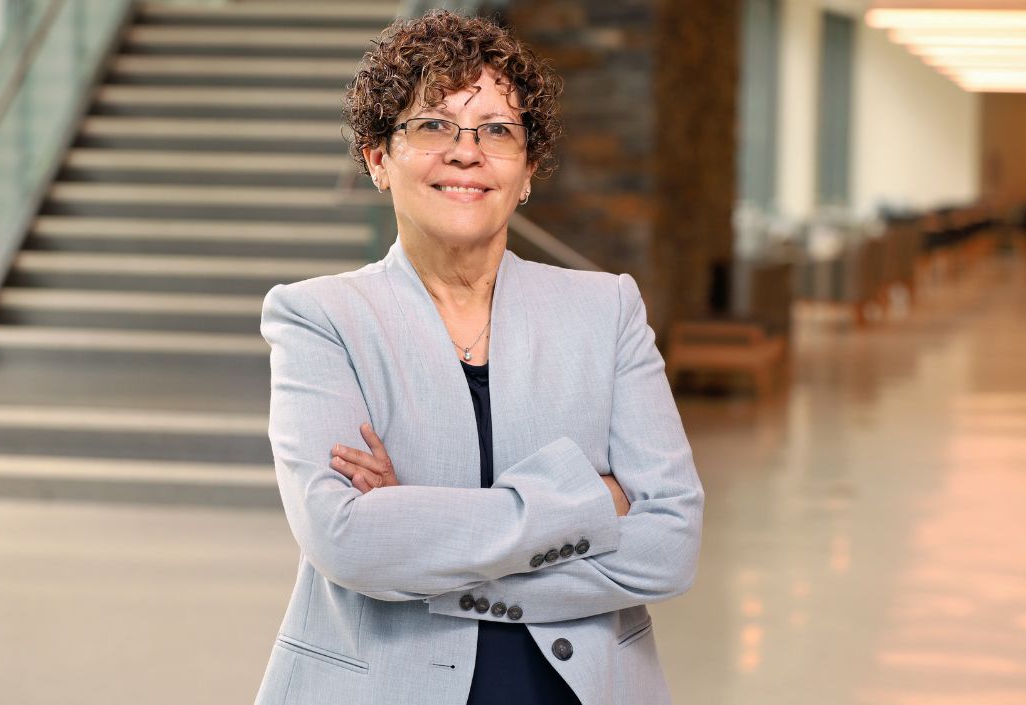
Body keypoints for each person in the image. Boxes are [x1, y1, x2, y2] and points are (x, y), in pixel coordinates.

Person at [255, 11, 704, 705]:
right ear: (379, 158)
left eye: (496, 129)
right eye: (432, 125)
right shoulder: (321, 318)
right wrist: (592, 501)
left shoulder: (604, 308)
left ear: (526, 172)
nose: (466, 151)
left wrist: (414, 526)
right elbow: (344, 539)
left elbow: (669, 541)